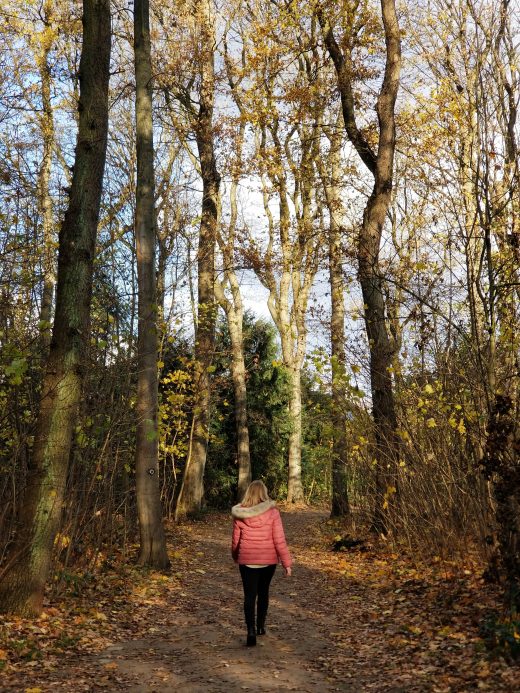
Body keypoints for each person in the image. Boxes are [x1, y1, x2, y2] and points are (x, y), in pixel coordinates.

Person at [231, 480, 292, 646]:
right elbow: (279, 540)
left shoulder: (240, 513)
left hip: (247, 560)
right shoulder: (273, 513)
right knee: (263, 592)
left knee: (249, 596)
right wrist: (287, 563)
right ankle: (260, 627)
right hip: (268, 560)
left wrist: (236, 556)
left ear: (249, 493)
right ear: (264, 493)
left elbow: (236, 540)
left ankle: (250, 631)